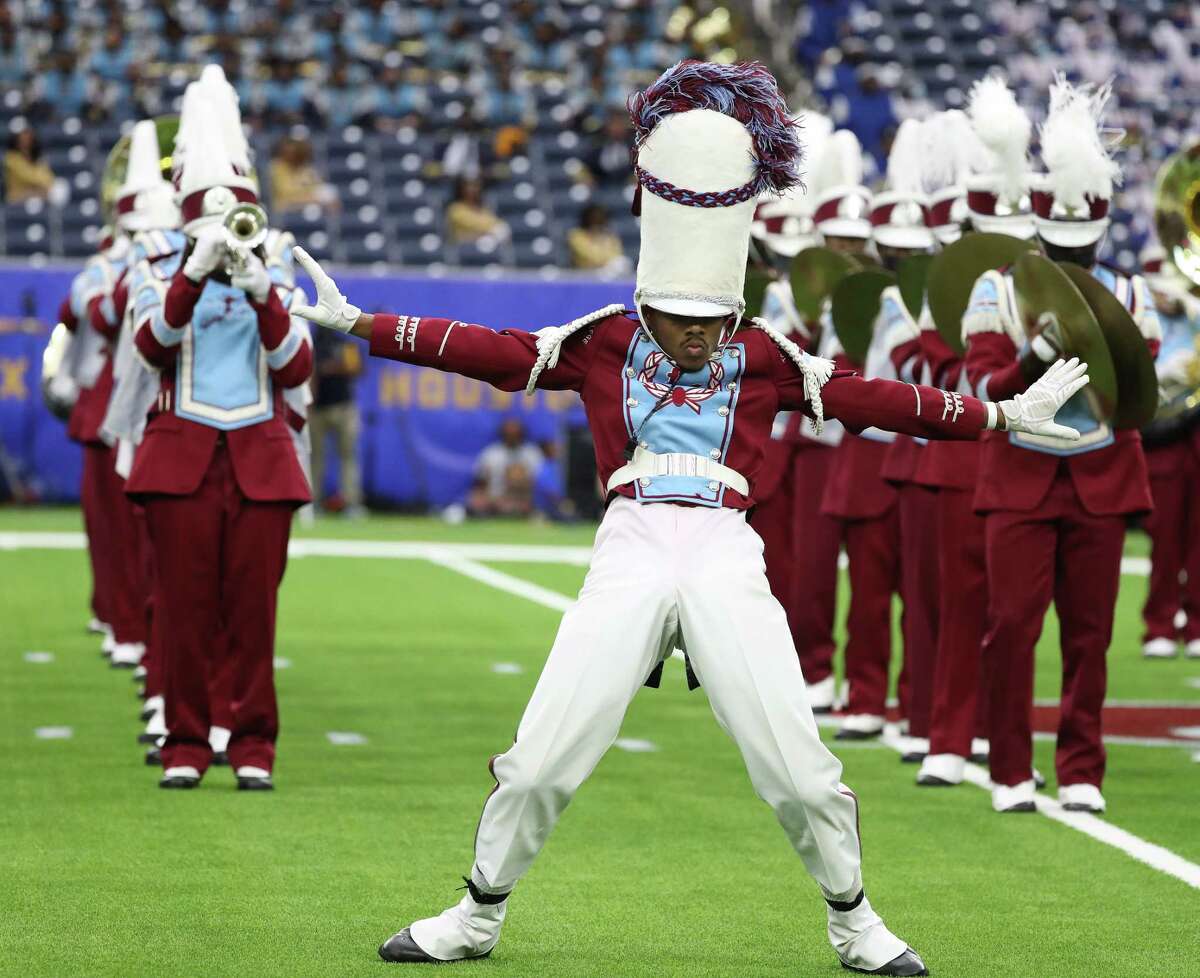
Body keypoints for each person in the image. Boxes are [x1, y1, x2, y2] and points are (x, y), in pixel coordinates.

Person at [294, 61, 1086, 976]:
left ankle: (855, 922)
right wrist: (362, 323)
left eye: (710, 316)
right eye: (678, 316)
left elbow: (876, 400)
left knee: (799, 771)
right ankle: (476, 915)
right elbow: (492, 353)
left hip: (724, 548)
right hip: (631, 542)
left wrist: (998, 415)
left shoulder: (767, 353)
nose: (697, 333)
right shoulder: (602, 340)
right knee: (540, 760)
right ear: (647, 298)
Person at [963, 76, 1160, 815]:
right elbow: (982, 387)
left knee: (1089, 636)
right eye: (1058, 245)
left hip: (1101, 476)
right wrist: (1033, 357)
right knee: (1010, 628)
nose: (1073, 255)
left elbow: (1138, 396)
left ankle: (1081, 769)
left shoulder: (1132, 295)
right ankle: (1010, 769)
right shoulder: (997, 290)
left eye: (1085, 244)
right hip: (1019, 473)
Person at [125, 89, 312, 792]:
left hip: (261, 460)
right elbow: (151, 346)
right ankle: (186, 740)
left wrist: (262, 290)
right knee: (183, 612)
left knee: (253, 615)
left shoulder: (278, 264)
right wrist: (193, 273)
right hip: (181, 459)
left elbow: (296, 367)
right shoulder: (155, 266)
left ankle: (253, 742)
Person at [917, 77, 1038, 788]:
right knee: (961, 606)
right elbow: (937, 369)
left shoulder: (1049, 283)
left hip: (1030, 459)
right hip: (965, 455)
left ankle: (1002, 736)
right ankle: (949, 738)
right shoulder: (951, 285)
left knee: (1014, 613)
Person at [821, 118, 933, 743]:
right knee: (867, 591)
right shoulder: (855, 297)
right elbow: (840, 376)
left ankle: (918, 705)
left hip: (921, 451)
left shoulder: (945, 295)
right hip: (870, 454)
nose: (903, 259)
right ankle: (865, 696)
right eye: (896, 249)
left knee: (923, 592)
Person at [1138, 243, 1200, 659]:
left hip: (1197, 434)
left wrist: (1190, 305)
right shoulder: (1142, 319)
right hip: (1161, 436)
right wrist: (1166, 374)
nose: (1165, 294)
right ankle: (1159, 625)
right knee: (1163, 537)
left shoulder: (1194, 313)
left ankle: (1196, 626)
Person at [310, 326, 364, 515]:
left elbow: (357, 368)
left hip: (343, 406)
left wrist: (334, 367)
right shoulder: (311, 344)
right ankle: (311, 502)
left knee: (348, 456)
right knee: (315, 457)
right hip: (317, 409)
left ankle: (351, 503)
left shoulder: (345, 343)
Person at [467, 418, 544, 517]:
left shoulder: (531, 453)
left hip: (524, 499)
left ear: (522, 434)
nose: (512, 436)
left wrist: (519, 483)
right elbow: (480, 482)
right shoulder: (491, 453)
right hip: (495, 499)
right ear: (502, 434)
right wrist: (488, 498)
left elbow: (539, 483)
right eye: (508, 434)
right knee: (476, 500)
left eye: (515, 434)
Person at [269, 135, 338, 214]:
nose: (293, 152)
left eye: (298, 149)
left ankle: (334, 221)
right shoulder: (277, 167)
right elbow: (285, 194)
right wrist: (311, 198)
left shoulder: (305, 168)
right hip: (285, 205)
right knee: (313, 207)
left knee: (328, 192)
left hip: (305, 202)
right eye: (291, 149)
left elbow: (317, 185)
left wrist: (312, 196)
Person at [446, 176, 507, 244]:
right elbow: (474, 225)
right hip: (463, 246)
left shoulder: (484, 208)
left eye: (476, 186)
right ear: (461, 188)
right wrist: (490, 231)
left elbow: (497, 223)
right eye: (469, 186)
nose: (473, 189)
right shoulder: (455, 208)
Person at [567, 204, 627, 272]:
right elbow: (588, 256)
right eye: (594, 218)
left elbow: (617, 253)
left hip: (607, 271)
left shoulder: (609, 236)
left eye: (600, 218)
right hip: (583, 272)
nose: (597, 221)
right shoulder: (576, 235)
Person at [4, 128, 55, 203]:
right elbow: (28, 177)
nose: (26, 140)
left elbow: (49, 179)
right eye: (22, 137)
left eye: (28, 136)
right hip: (17, 199)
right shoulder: (11, 158)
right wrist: (41, 183)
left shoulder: (38, 158)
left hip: (39, 195)